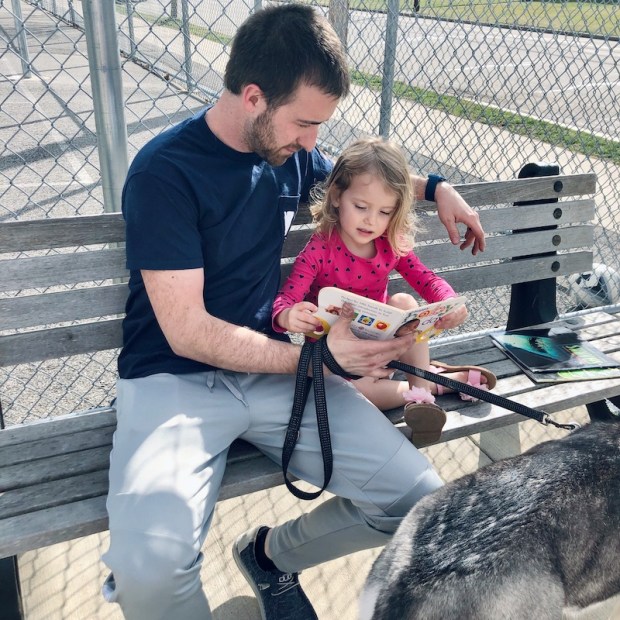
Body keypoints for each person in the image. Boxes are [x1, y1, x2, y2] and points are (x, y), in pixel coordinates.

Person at [101, 4, 486, 620]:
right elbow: (188, 331)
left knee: (419, 504)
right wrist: (320, 357)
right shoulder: (166, 172)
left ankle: (270, 557)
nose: (313, 143)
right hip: (172, 379)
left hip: (280, 372)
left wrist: (439, 188)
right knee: (150, 571)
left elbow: (364, 180)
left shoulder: (290, 156)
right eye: (305, 123)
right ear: (254, 96)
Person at [272, 138, 496, 448]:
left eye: (385, 212)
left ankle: (421, 401)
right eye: (361, 207)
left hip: (386, 350)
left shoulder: (391, 243)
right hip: (341, 365)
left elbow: (426, 279)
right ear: (337, 196)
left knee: (404, 302)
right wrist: (287, 315)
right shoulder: (319, 249)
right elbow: (286, 299)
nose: (371, 220)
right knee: (351, 399)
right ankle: (435, 385)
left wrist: (447, 302)